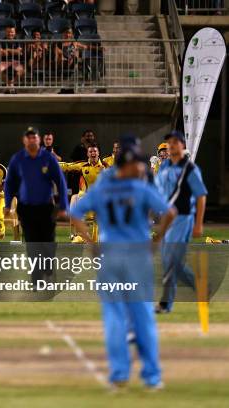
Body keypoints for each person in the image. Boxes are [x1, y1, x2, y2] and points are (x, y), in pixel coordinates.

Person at [70, 135, 176, 391]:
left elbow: (74, 213)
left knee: (114, 317)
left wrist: (90, 243)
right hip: (138, 256)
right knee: (143, 318)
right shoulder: (140, 188)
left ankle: (119, 374)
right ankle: (151, 377)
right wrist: (156, 241)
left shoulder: (104, 186)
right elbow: (169, 212)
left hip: (110, 256)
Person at [4, 127, 68, 284]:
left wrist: (64, 206)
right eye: (29, 137)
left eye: (34, 137)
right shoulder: (18, 159)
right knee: (32, 244)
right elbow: (9, 183)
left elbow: (60, 182)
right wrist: (7, 204)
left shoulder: (48, 158)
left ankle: (47, 267)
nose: (32, 140)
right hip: (27, 209)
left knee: (48, 242)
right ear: (24, 140)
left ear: (39, 140)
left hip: (46, 208)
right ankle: (36, 278)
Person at [155, 130, 207, 314]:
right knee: (171, 261)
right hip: (167, 219)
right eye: (169, 142)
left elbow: (201, 196)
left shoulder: (189, 168)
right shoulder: (165, 167)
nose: (172, 145)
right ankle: (200, 286)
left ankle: (165, 304)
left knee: (170, 261)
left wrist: (199, 224)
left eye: (175, 142)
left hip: (183, 218)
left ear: (183, 145)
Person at [60, 143, 108, 242]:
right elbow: (67, 166)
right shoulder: (83, 165)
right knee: (79, 237)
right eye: (90, 151)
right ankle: (78, 237)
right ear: (87, 154)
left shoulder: (105, 166)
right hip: (86, 200)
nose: (93, 153)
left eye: (95, 151)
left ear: (98, 153)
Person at [0, 26, 24, 94]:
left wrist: (7, 50)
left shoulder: (18, 41)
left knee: (22, 71)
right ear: (5, 32)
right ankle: (11, 86)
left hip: (15, 61)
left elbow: (19, 52)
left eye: (12, 32)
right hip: (4, 61)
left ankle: (9, 85)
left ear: (15, 33)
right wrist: (14, 51)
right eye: (8, 32)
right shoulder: (1, 42)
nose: (10, 33)